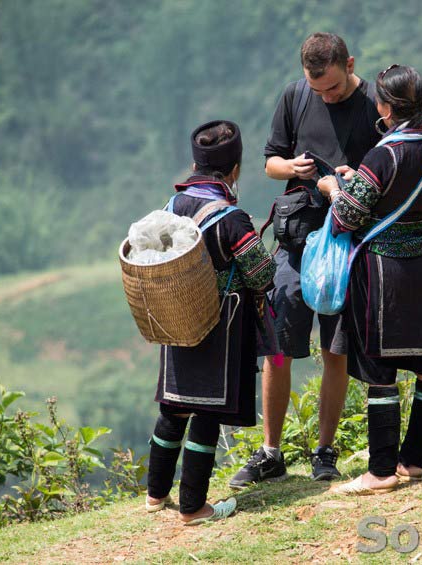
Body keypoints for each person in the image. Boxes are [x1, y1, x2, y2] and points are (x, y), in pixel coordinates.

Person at [230, 32, 382, 488]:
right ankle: (271, 452)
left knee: (334, 350)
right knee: (278, 349)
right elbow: (269, 163)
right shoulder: (296, 96)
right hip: (296, 243)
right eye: (318, 90)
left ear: (349, 63)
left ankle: (324, 452)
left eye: (333, 88)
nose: (325, 96)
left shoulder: (376, 102)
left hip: (347, 243)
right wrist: (293, 169)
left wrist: (350, 180)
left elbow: (386, 169)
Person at [316, 64, 422, 495]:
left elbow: (346, 218)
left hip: (379, 272)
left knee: (379, 371)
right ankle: (413, 462)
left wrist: (333, 189)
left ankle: (380, 471)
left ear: (384, 106)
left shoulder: (382, 155)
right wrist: (416, 231)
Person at [145, 120, 276, 523]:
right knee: (205, 413)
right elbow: (262, 274)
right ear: (233, 170)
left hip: (175, 319)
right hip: (219, 327)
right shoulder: (231, 218)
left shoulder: (171, 208)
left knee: (173, 407)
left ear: (195, 163)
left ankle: (155, 495)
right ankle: (193, 507)